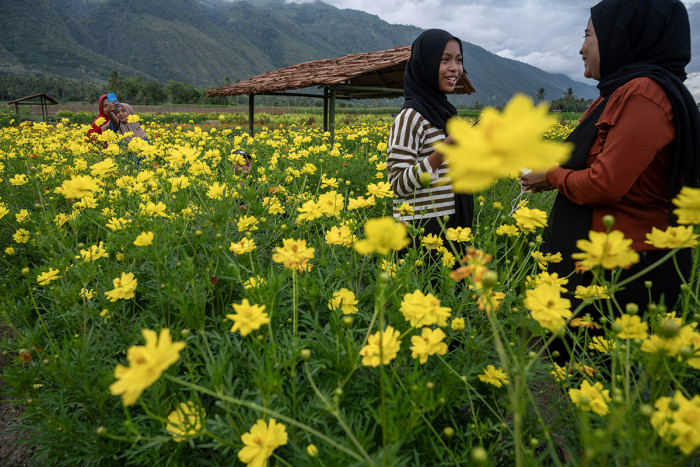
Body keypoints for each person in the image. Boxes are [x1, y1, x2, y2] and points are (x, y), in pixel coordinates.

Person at [520, 0, 700, 311]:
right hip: (605, 263)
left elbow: (605, 184)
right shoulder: (619, 93)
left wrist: (550, 176)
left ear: (622, 36)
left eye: (588, 35)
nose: (581, 49)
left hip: (625, 272)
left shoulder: (644, 93)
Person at [387, 29, 475, 244]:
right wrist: (445, 150)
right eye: (444, 60)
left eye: (459, 60)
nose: (454, 68)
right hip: (420, 231)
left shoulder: (445, 114)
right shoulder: (410, 117)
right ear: (424, 63)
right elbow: (398, 184)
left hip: (450, 224)